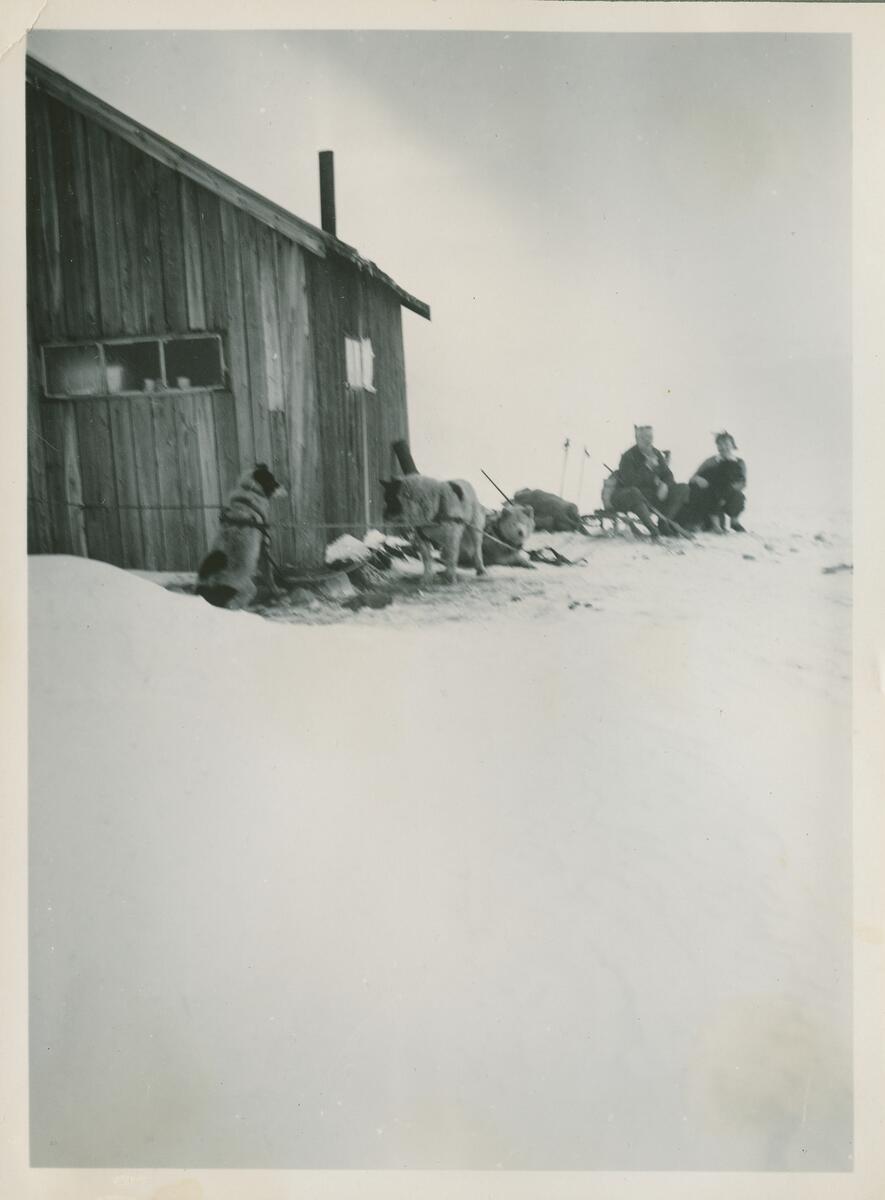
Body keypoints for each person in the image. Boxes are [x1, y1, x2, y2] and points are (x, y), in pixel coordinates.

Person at [608, 425, 690, 536]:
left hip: (651, 496)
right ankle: (652, 528)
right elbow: (630, 482)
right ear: (637, 439)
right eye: (644, 437)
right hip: (628, 496)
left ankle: (664, 523)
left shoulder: (656, 453)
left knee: (683, 488)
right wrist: (646, 467)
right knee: (634, 492)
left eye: (650, 437)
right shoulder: (628, 456)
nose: (648, 441)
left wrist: (665, 485)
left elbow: (668, 474)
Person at [683, 432, 747, 532]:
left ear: (732, 445)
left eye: (726, 444)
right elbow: (692, 479)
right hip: (709, 495)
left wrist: (725, 494)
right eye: (720, 444)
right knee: (704, 492)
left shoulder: (739, 462)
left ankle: (734, 522)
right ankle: (700, 523)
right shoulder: (711, 461)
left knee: (738, 496)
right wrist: (697, 479)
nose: (723, 447)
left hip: (728, 494)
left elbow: (742, 482)